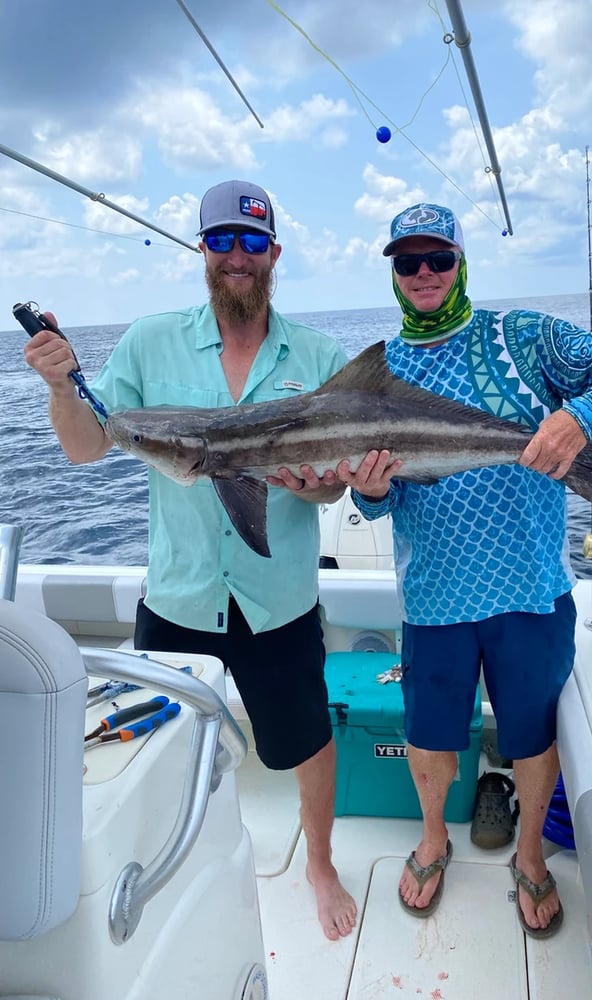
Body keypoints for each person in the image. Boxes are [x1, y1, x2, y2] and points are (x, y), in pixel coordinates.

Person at [24, 179, 358, 941]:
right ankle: (179, 861)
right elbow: (87, 446)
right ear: (200, 251)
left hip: (279, 599)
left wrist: (328, 483)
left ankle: (322, 865)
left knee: (305, 741)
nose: (237, 256)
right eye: (221, 241)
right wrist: (59, 384)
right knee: (168, 749)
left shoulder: (318, 354)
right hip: (178, 599)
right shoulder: (148, 342)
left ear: (274, 252)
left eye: (251, 242)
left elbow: (330, 496)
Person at [337, 202, 592, 934]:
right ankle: (433, 835)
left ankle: (532, 855)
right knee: (429, 736)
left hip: (529, 587)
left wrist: (579, 419)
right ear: (393, 272)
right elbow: (374, 503)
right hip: (435, 594)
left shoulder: (525, 336)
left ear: (460, 262)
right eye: (407, 262)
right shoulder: (380, 368)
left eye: (437, 259)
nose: (423, 274)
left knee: (531, 735)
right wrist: (373, 487)